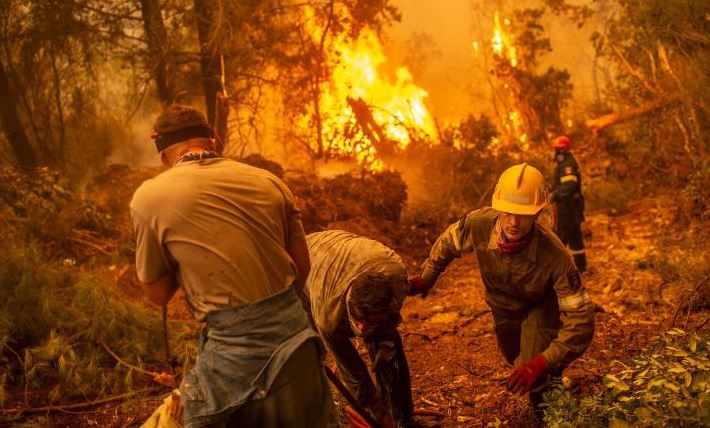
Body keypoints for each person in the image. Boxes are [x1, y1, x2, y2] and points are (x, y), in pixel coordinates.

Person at [130, 104, 336, 428]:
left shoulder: (149, 198)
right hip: (297, 345)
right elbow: (301, 266)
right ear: (213, 141)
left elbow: (157, 295)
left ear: (163, 155)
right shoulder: (269, 182)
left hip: (229, 356)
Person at [408, 163, 595, 419]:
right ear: (498, 208)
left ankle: (553, 415)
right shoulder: (478, 224)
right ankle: (549, 378)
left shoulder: (556, 255)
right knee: (515, 359)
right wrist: (427, 277)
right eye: (507, 212)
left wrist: (543, 362)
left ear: (538, 213)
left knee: (535, 368)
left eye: (523, 214)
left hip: (538, 307)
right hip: (502, 308)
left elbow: (582, 322)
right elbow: (449, 242)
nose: (514, 222)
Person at [304, 230, 417, 428]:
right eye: (358, 320)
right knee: (311, 348)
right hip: (304, 260)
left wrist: (383, 340)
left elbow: (388, 330)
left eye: (370, 321)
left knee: (386, 342)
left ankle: (403, 416)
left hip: (356, 254)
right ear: (350, 302)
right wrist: (376, 412)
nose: (362, 326)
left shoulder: (397, 278)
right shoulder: (328, 316)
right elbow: (353, 371)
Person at [550, 135, 587, 272]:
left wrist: (555, 194)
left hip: (568, 207)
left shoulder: (568, 165)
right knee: (574, 237)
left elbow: (570, 185)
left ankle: (557, 270)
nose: (554, 151)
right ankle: (581, 266)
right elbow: (561, 184)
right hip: (570, 206)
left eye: (557, 149)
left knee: (560, 238)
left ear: (563, 149)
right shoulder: (563, 164)